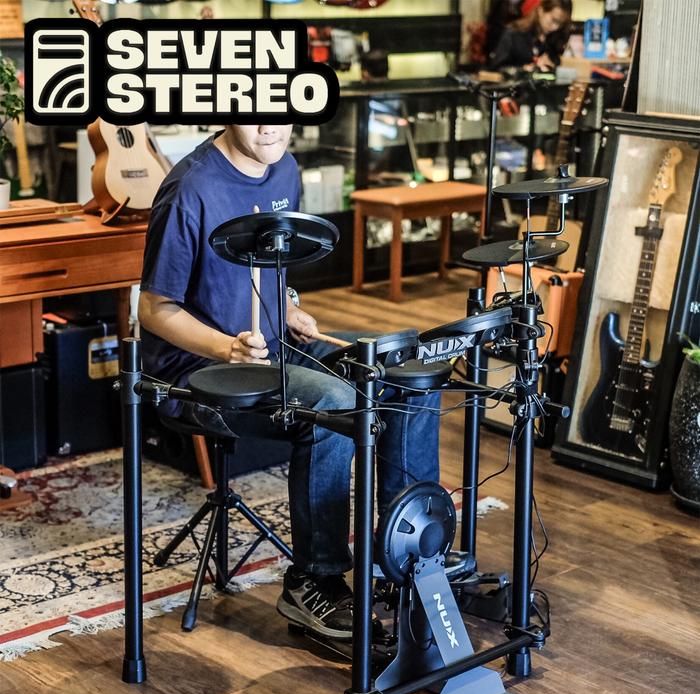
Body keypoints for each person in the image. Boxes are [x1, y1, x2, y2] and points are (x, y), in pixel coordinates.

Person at [138, 124, 442, 641]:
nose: (270, 126)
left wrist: (288, 305)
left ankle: (404, 556)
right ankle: (313, 581)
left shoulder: (285, 167)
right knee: (334, 403)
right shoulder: (190, 188)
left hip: (275, 350)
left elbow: (269, 269)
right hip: (198, 372)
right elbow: (153, 309)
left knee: (407, 374)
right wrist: (226, 348)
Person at [489, 0, 572, 71]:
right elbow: (496, 67)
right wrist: (522, 69)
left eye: (560, 24)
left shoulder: (553, 40)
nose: (555, 27)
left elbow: (555, 66)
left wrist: (551, 66)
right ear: (541, 10)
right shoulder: (514, 34)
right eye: (553, 20)